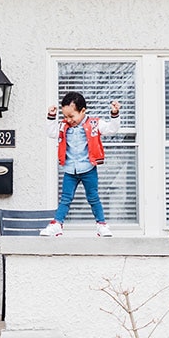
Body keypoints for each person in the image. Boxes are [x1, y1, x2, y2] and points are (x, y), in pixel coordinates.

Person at [40, 92, 121, 237]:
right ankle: (57, 224)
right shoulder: (63, 126)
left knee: (93, 197)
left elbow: (112, 129)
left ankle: (101, 225)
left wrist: (114, 114)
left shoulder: (94, 124)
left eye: (72, 116)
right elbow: (51, 132)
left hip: (88, 168)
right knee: (65, 198)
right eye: (65, 116)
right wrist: (51, 117)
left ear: (83, 111)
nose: (69, 120)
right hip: (70, 169)